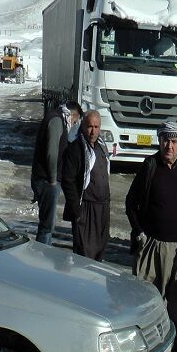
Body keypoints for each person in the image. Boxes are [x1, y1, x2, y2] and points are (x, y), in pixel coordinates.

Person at [126, 121, 177, 352]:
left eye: (174, 141)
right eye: (165, 141)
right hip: (153, 247)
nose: (169, 146)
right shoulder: (150, 166)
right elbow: (131, 203)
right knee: (147, 299)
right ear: (160, 141)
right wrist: (139, 232)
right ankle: (148, 346)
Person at [60, 111, 111, 261]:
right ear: (83, 127)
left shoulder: (102, 147)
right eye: (90, 127)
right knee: (84, 255)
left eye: (96, 127)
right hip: (86, 209)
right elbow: (67, 180)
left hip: (102, 209)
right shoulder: (76, 149)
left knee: (99, 253)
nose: (93, 131)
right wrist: (77, 211)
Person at [31, 101, 82, 245]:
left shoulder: (56, 118)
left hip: (45, 179)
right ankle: (42, 256)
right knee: (47, 226)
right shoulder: (56, 120)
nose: (73, 124)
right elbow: (52, 152)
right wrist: (53, 179)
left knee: (47, 223)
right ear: (73, 115)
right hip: (47, 180)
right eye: (75, 121)